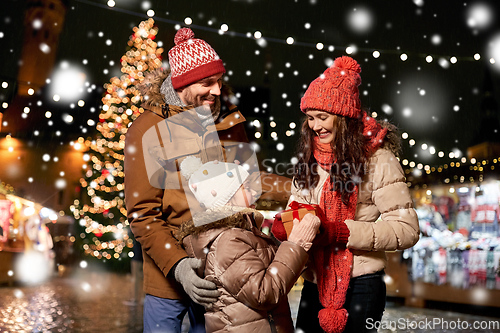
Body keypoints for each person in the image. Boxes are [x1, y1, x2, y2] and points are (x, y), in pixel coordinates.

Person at [124, 27, 289, 333]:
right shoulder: (147, 130)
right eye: (207, 82)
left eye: (218, 81)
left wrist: (298, 189)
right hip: (169, 279)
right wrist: (179, 266)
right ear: (182, 83)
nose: (217, 90)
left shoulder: (227, 122)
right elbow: (142, 214)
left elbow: (250, 181)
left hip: (222, 273)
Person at [273, 56, 420, 333]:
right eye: (310, 118)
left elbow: (407, 229)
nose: (315, 126)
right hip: (315, 281)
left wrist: (342, 233)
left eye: (323, 117)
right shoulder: (310, 158)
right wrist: (288, 221)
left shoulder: (379, 160)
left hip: (361, 286)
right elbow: (298, 203)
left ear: (343, 117)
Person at [176, 156, 321, 332]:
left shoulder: (243, 233)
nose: (254, 193)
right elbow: (263, 294)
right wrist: (296, 245)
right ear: (227, 199)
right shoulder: (229, 241)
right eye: (246, 188)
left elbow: (273, 273)